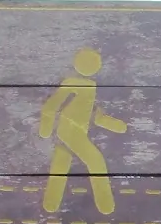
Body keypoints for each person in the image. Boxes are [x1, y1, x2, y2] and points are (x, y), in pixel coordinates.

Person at [38, 48, 126, 215]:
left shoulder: (91, 87)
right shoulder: (72, 83)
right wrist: (45, 129)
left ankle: (51, 204)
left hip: (76, 130)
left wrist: (113, 124)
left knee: (61, 163)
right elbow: (51, 106)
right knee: (95, 160)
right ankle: (105, 204)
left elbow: (93, 114)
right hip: (69, 129)